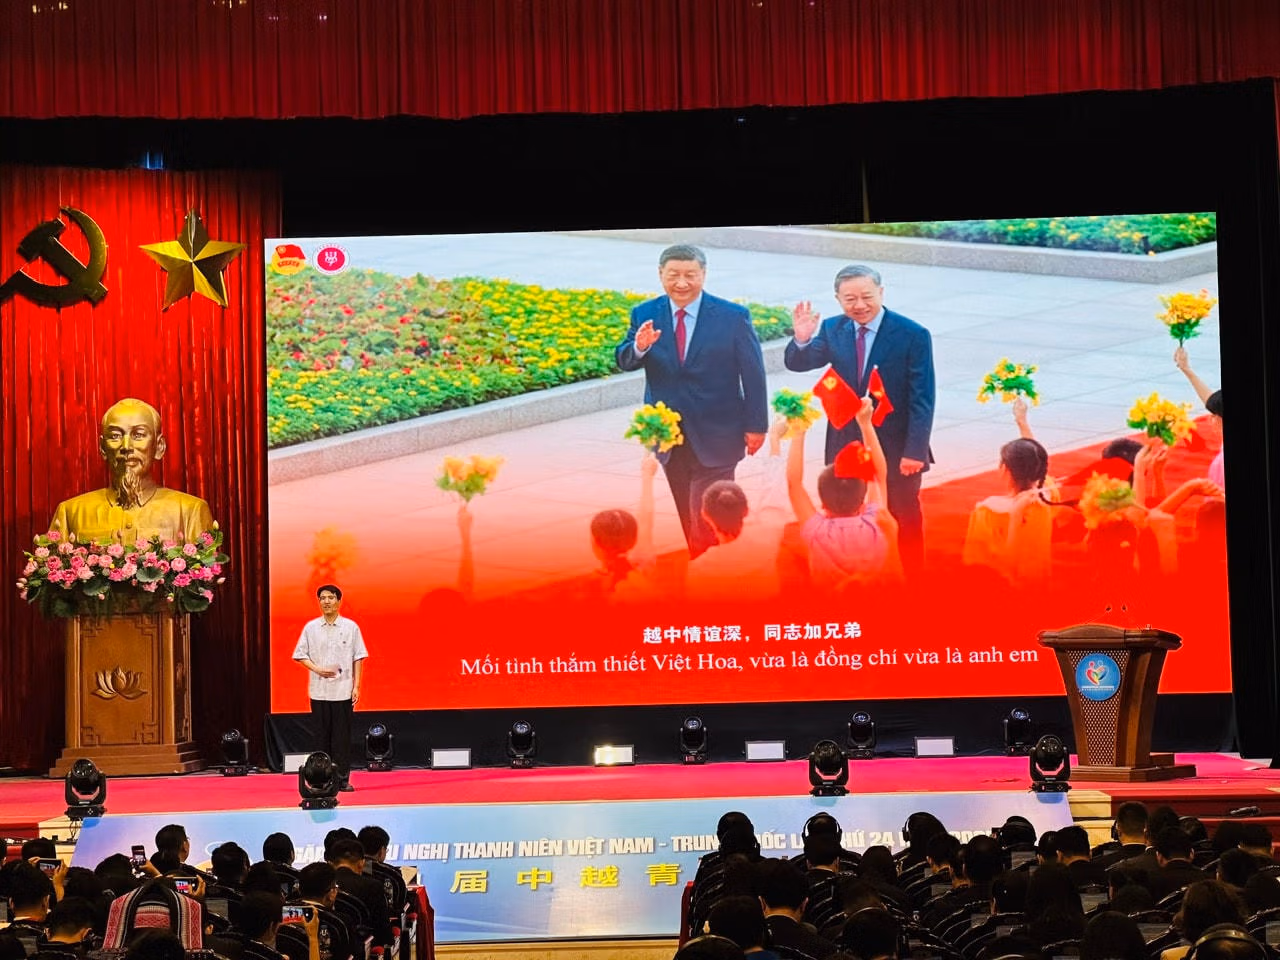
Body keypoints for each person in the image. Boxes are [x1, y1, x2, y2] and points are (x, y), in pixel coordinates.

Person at [615, 244, 769, 557]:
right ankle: (702, 563)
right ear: (661, 274)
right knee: (685, 509)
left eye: (690, 275)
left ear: (703, 274)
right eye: (673, 275)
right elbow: (624, 359)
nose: (682, 283)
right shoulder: (645, 313)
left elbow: (753, 374)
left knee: (708, 513)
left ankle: (714, 569)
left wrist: (757, 425)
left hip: (719, 431)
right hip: (669, 435)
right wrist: (640, 347)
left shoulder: (733, 317)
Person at [785, 264, 936, 575]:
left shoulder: (912, 334)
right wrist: (801, 339)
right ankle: (852, 579)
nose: (860, 305)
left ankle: (911, 580)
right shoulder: (833, 328)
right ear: (838, 299)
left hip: (896, 444)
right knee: (846, 516)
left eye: (867, 296)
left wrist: (915, 451)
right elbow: (800, 363)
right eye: (850, 299)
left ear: (881, 292)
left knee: (900, 514)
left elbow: (923, 397)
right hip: (846, 442)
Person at [49, 398, 215, 544]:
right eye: (115, 436)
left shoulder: (190, 511)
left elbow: (204, 568)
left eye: (139, 435)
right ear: (103, 448)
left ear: (159, 447)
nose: (126, 446)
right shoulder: (71, 512)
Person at [786, 396, 897, 591]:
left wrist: (798, 431)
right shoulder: (876, 524)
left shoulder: (818, 532)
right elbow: (879, 476)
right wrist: (866, 425)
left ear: (823, 505)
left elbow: (793, 484)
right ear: (862, 504)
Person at [292, 584, 368, 792]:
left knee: (341, 739)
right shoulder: (311, 628)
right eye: (322, 598)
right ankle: (321, 779)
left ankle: (341, 779)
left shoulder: (351, 627)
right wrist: (317, 669)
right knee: (320, 738)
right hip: (319, 692)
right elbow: (300, 655)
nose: (326, 601)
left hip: (343, 692)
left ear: (339, 601)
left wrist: (356, 686)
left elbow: (358, 657)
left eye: (330, 598)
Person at [1174, 345, 1224, 492]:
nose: (1210, 420)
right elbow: (1211, 402)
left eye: (1214, 416)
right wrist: (1186, 369)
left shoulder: (1221, 463)